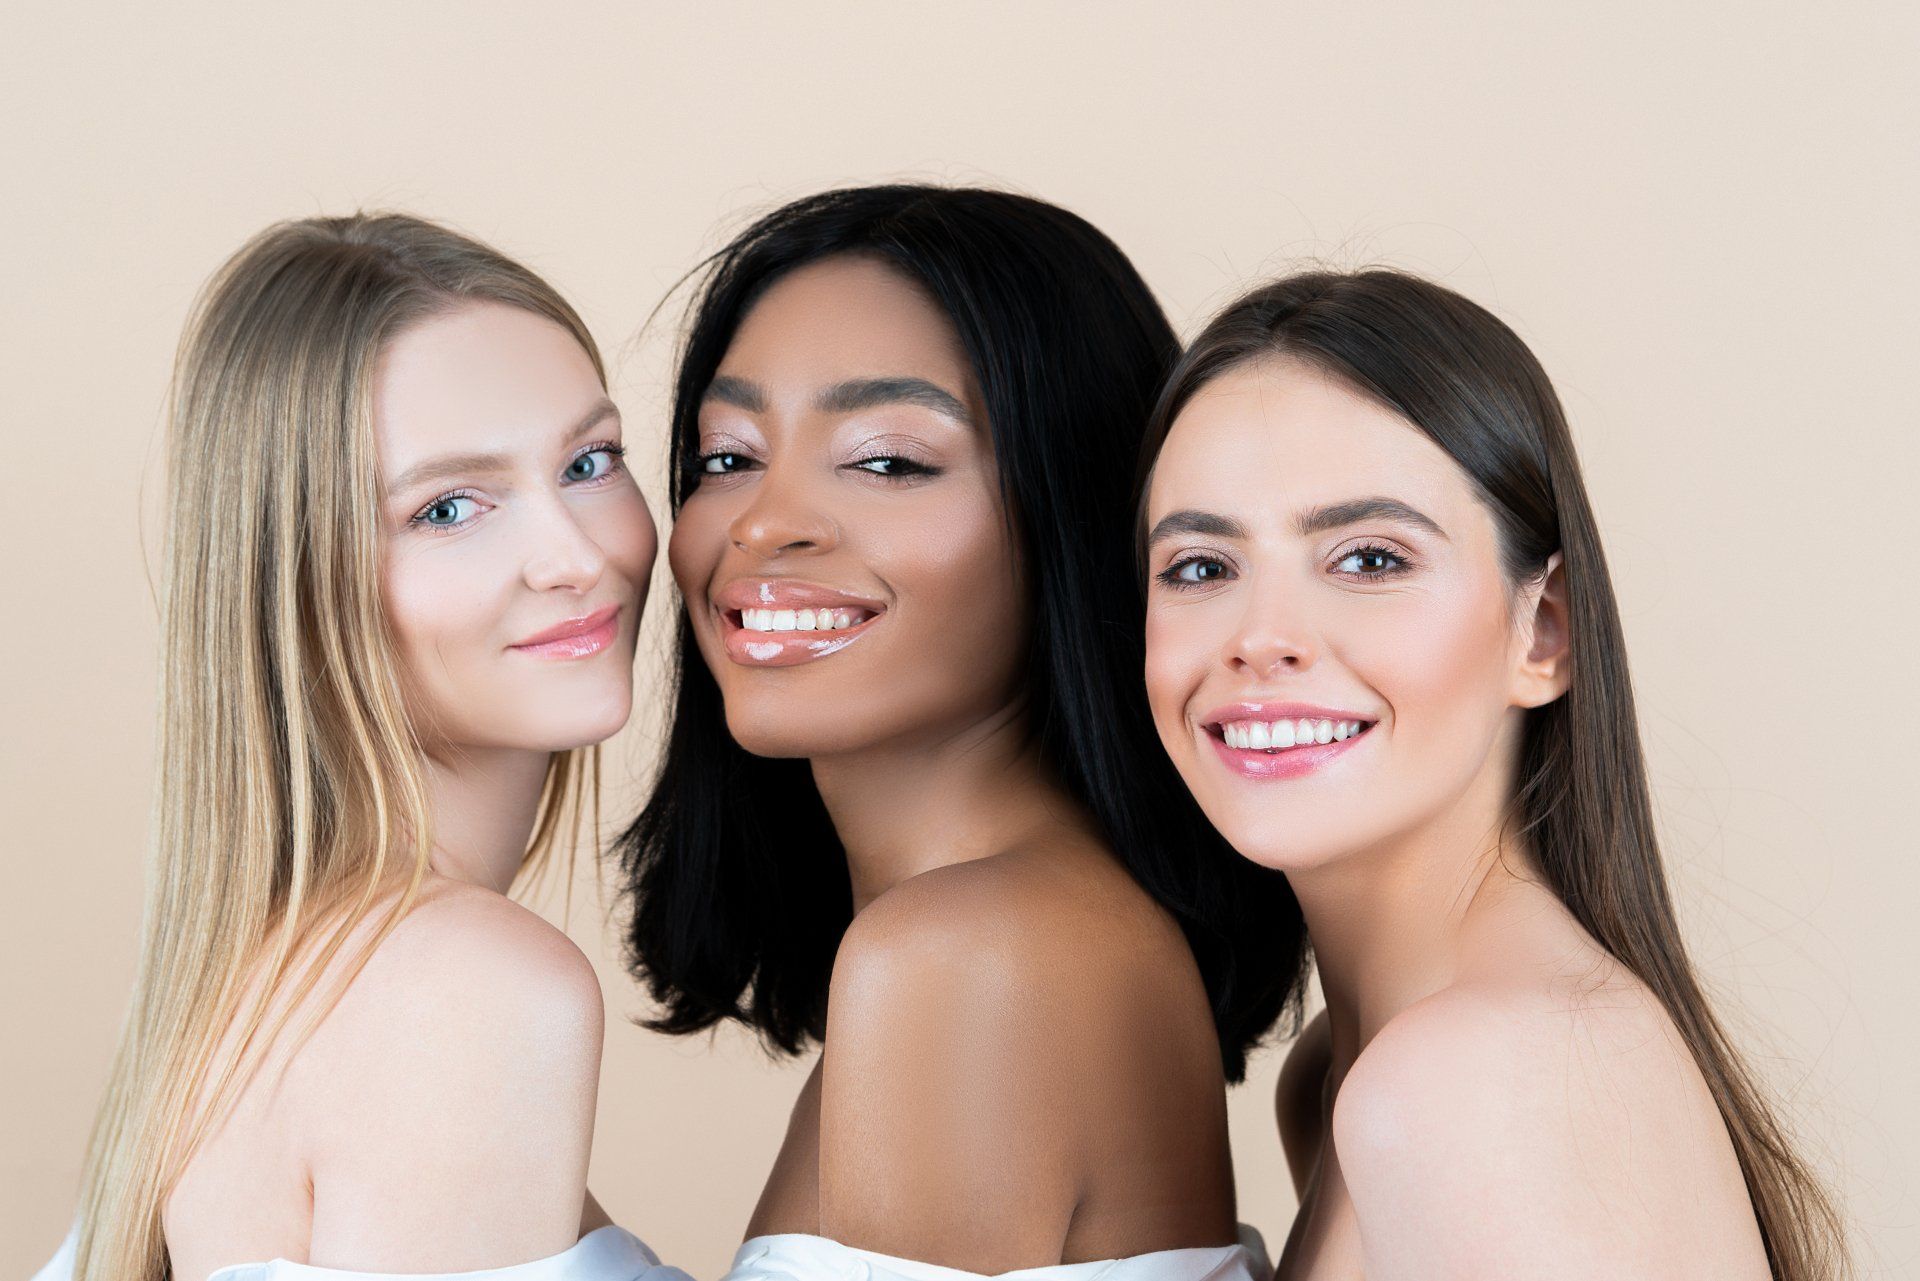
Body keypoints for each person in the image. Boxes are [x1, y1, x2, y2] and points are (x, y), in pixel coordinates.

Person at [614, 185, 1302, 1277]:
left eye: (889, 459)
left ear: (1070, 508)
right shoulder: (1035, 926)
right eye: (728, 456)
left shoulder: (966, 956)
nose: (760, 521)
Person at [1136, 268, 1848, 1279]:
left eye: (1370, 559)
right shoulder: (1345, 1075)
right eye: (1201, 568)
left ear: (1544, 632)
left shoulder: (1468, 1081)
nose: (1262, 637)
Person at [37, 213, 679, 1281]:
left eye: (589, 460)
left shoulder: (255, 993)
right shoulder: (468, 989)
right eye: (450, 507)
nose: (575, 556)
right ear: (297, 576)